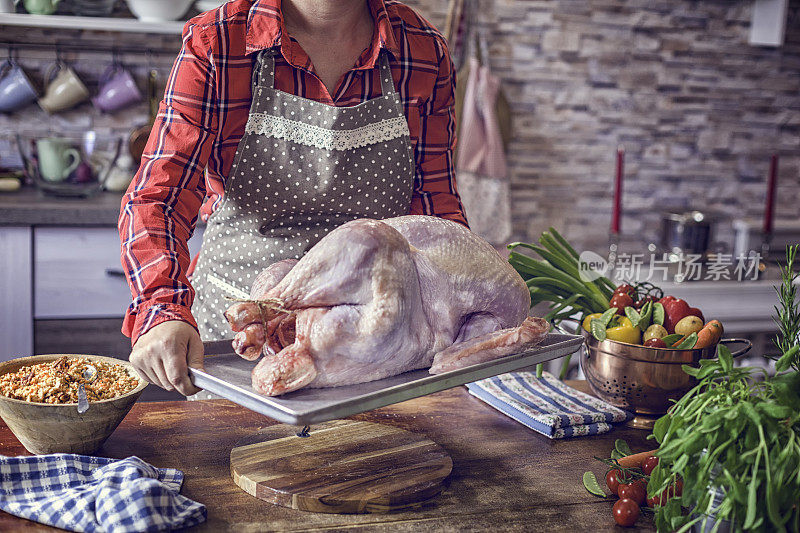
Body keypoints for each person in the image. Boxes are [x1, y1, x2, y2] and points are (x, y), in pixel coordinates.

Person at [119, 0, 467, 397]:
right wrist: (162, 309)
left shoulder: (422, 51)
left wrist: (463, 303)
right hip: (236, 346)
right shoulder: (219, 42)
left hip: (371, 350)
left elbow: (435, 212)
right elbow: (158, 198)